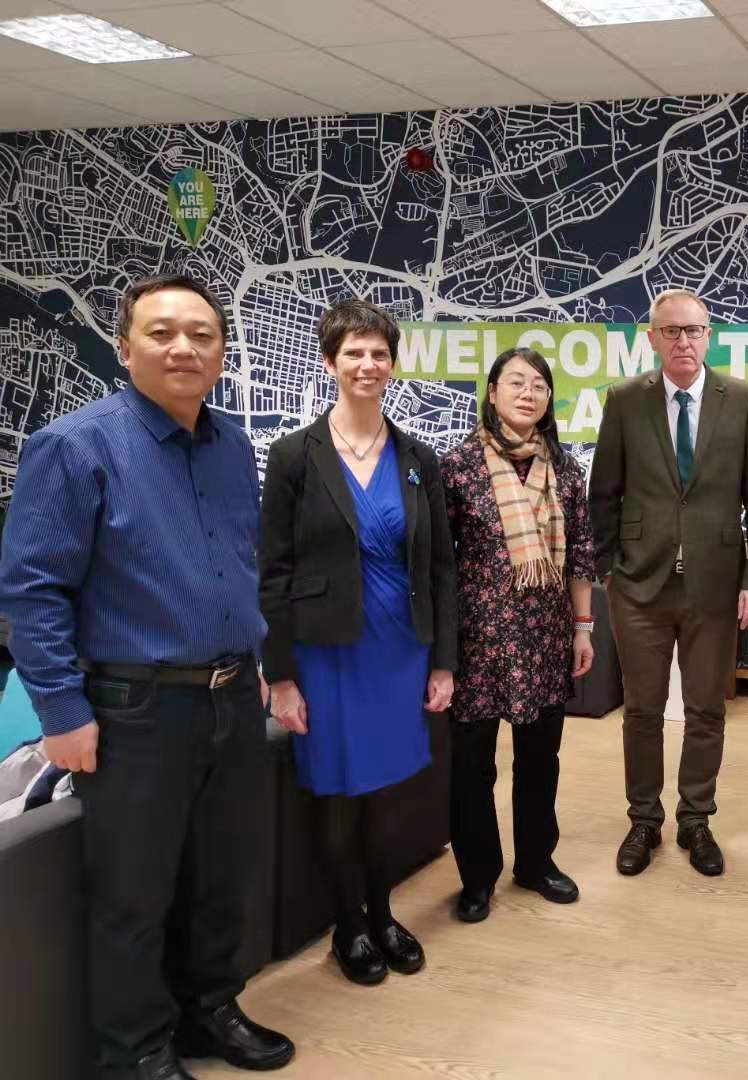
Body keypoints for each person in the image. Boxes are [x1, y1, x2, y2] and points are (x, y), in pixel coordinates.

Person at [0, 275, 293, 1079]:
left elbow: (236, 563)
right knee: (133, 894)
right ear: (126, 347)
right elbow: (33, 591)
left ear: (222, 353)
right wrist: (62, 711)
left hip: (231, 697)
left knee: (221, 875)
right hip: (134, 707)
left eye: (202, 334)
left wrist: (252, 663)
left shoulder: (232, 446)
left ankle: (210, 1010)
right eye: (161, 333)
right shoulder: (76, 446)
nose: (183, 347)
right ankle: (134, 1052)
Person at [259, 299, 456, 987]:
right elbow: (273, 571)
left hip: (401, 649)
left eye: (379, 353)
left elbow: (441, 568)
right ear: (329, 362)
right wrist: (281, 676)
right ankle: (349, 926)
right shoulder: (294, 456)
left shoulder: (417, 458)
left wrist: (443, 662)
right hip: (328, 653)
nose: (368, 364)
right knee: (340, 794)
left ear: (392, 364)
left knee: (388, 796)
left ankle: (383, 914)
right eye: (354, 353)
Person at [589, 287, 748, 877]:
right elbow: (603, 494)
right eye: (670, 331)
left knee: (705, 710)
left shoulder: (743, 400)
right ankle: (644, 820)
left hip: (716, 587)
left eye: (693, 330)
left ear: (709, 335)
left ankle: (696, 819)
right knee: (643, 711)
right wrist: (609, 569)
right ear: (652, 338)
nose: (683, 341)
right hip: (638, 587)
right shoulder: (625, 400)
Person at [443, 347, 596, 923]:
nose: (528, 394)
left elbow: (581, 555)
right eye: (515, 382)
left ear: (549, 399)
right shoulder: (459, 467)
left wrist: (583, 629)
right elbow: (439, 563)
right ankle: (477, 876)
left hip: (544, 636)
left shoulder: (566, 470)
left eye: (539, 385)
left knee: (539, 759)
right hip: (477, 640)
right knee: (472, 768)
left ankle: (535, 863)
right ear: (492, 392)